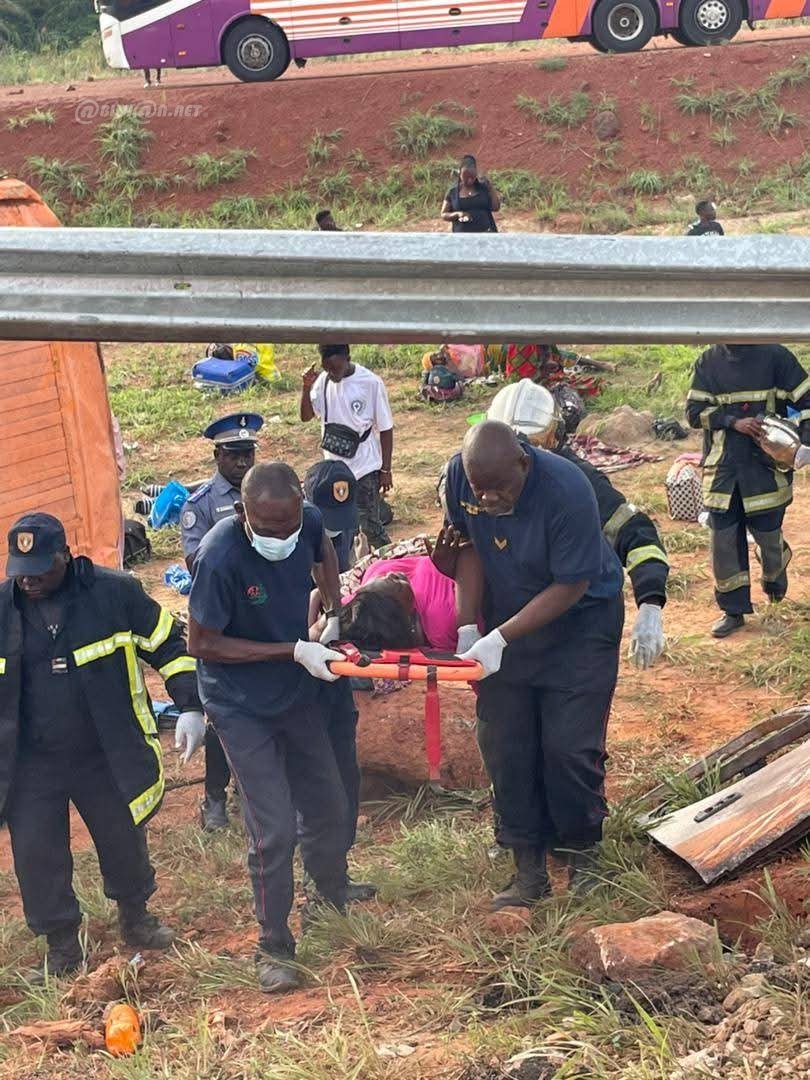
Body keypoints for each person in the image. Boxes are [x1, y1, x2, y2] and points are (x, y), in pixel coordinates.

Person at [0, 513, 204, 980]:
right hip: (30, 761)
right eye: (20, 570)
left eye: (39, 568)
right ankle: (62, 947)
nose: (28, 580)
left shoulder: (114, 594)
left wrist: (190, 705)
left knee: (122, 838)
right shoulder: (1, 610)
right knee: (37, 853)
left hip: (104, 749)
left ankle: (136, 917)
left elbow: (168, 646)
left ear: (65, 556)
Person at [444, 422, 625, 909]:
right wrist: (468, 627)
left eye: (499, 489)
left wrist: (501, 636)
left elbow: (572, 585)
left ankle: (583, 851)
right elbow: (467, 547)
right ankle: (527, 866)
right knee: (504, 740)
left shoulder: (567, 489)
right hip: (509, 615)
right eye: (479, 489)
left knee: (568, 746)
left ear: (524, 462)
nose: (488, 499)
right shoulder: (461, 479)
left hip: (580, 624)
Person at [187, 462, 352, 994]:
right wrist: (292, 648)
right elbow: (202, 644)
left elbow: (323, 551)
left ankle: (328, 892)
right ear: (244, 512)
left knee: (328, 800)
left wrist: (332, 607)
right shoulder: (219, 556)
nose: (282, 536)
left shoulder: (305, 519)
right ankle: (274, 943)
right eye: (269, 527)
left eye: (288, 525)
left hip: (293, 685)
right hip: (240, 703)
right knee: (273, 825)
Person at [487, 380, 668, 668]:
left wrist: (650, 603)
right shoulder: (480, 482)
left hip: (579, 628)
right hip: (510, 632)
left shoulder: (579, 485)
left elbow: (635, 534)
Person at [686, 343, 810, 637]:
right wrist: (732, 421)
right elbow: (694, 413)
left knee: (768, 540)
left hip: (765, 470)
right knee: (724, 544)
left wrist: (805, 442)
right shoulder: (708, 361)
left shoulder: (776, 357)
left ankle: (775, 585)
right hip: (723, 470)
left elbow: (807, 400)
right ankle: (733, 610)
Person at [180, 412, 264, 831]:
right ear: (217, 456)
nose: (242, 462)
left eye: (247, 453)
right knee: (221, 715)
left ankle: (252, 788)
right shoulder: (200, 505)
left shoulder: (269, 493)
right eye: (233, 455)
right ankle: (214, 796)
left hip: (263, 617)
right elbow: (195, 562)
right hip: (220, 624)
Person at [301, 344, 394, 549]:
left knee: (369, 526)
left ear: (348, 358)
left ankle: (390, 560)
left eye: (336, 368)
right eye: (327, 369)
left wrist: (386, 469)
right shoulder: (323, 382)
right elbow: (306, 416)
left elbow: (386, 429)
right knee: (337, 525)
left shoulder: (370, 383)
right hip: (333, 467)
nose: (332, 374)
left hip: (364, 465)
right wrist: (306, 387)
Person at [303, 459, 358, 573]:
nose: (339, 527)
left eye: (344, 515)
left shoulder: (349, 528)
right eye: (330, 516)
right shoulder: (293, 538)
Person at [441, 154, 500, 233]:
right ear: (459, 173)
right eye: (465, 177)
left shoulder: (484, 188)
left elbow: (496, 207)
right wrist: (457, 214)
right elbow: (444, 214)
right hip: (462, 237)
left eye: (472, 177)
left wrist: (491, 188)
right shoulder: (453, 192)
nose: (469, 180)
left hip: (486, 234)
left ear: (476, 172)